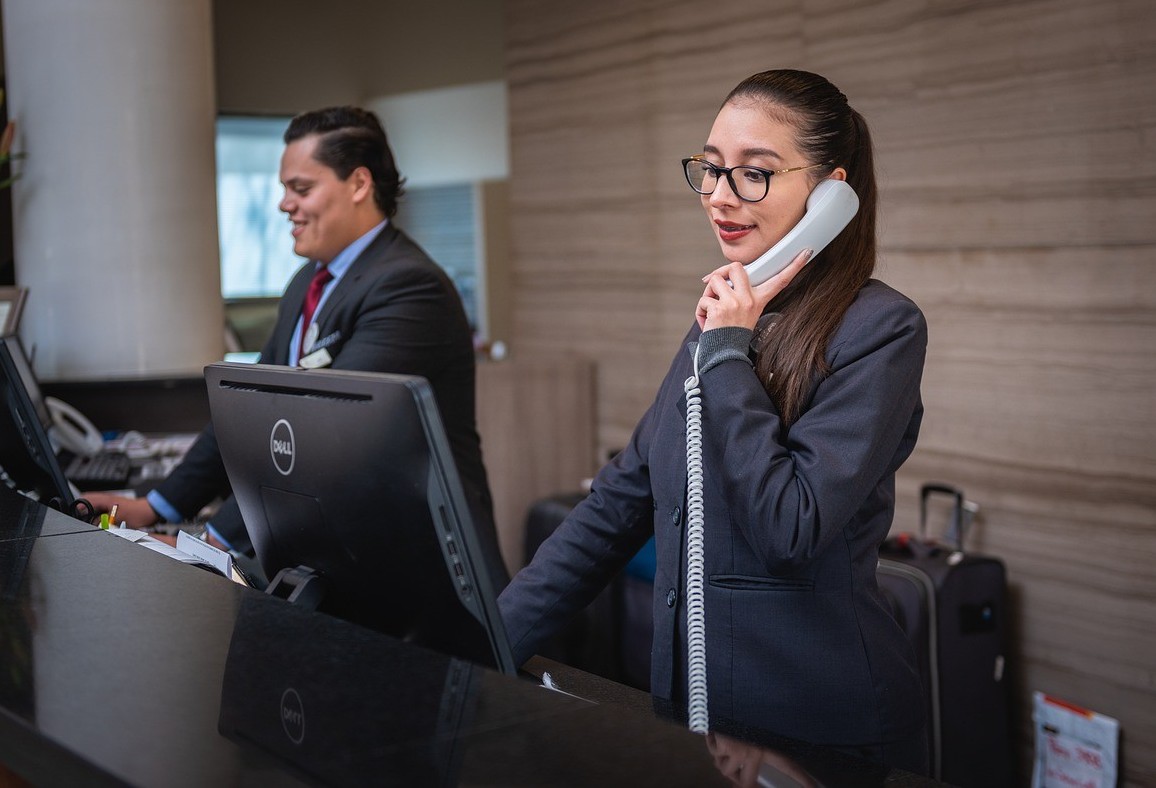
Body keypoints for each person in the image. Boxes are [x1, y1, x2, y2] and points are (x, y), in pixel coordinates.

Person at [497, 69, 928, 773]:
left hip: (815, 733)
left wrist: (728, 348)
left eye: (754, 174)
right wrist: (483, 640)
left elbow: (791, 527)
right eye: (712, 169)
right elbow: (616, 505)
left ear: (831, 194)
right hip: (690, 720)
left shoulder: (879, 330)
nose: (721, 197)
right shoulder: (724, 319)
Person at [89, 106, 505, 585]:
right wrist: (154, 506)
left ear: (359, 184)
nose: (285, 204)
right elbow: (247, 413)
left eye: (301, 188)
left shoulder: (409, 287)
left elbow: (321, 440)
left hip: (419, 572)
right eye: (284, 188)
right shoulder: (307, 281)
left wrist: (209, 546)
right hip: (337, 558)